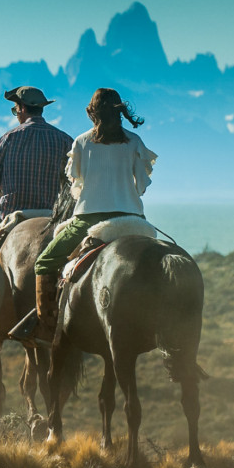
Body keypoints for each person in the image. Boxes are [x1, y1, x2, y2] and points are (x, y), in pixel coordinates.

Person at [29, 88, 156, 337]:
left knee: (44, 262)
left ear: (92, 112)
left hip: (89, 218)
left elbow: (76, 185)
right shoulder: (134, 142)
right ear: (120, 111)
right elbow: (142, 186)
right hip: (131, 217)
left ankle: (46, 326)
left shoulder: (82, 142)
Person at [0, 86, 72, 241]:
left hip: (8, 212)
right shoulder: (64, 139)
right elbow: (73, 179)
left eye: (15, 109)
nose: (16, 114)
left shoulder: (9, 137)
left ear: (23, 108)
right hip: (49, 213)